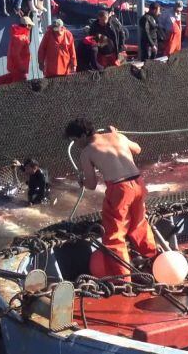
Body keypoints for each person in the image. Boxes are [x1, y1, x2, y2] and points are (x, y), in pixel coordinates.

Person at [65, 118, 157, 278]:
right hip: (138, 183)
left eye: (74, 140)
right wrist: (116, 133)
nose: (76, 144)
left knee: (114, 234)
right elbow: (138, 149)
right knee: (139, 224)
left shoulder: (87, 152)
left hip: (119, 189)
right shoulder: (118, 136)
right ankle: (153, 260)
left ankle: (123, 279)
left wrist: (81, 181)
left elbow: (92, 184)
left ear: (81, 136)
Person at [0, 16, 34, 85]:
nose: (30, 28)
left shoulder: (18, 35)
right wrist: (21, 67)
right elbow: (16, 54)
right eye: (30, 26)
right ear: (27, 26)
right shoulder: (21, 38)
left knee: (14, 82)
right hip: (19, 69)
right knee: (19, 86)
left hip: (16, 68)